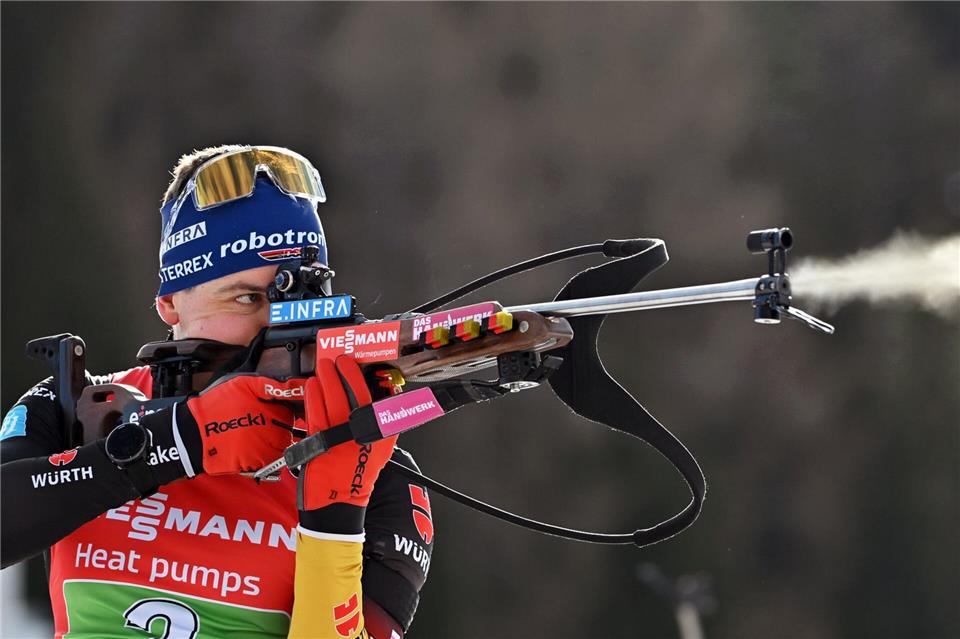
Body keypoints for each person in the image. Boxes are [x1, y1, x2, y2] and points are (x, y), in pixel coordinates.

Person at [1, 145, 434, 639]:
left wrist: (334, 515)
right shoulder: (80, 404)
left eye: (298, 299)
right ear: (169, 302)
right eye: (247, 297)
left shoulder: (374, 462)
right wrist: (176, 442)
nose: (274, 324)